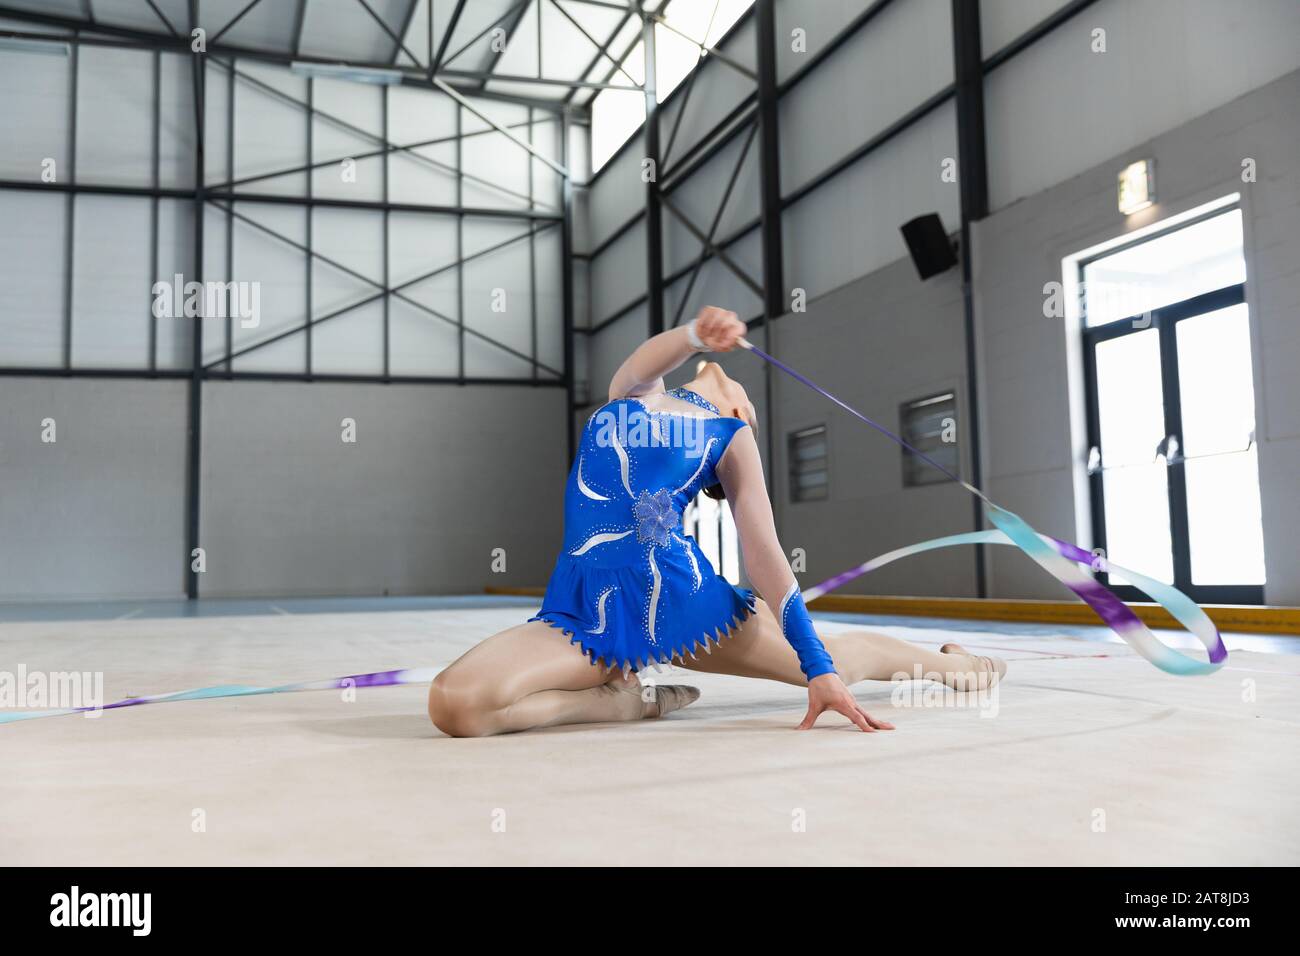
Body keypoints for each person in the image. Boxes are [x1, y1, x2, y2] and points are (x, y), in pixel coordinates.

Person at [427, 307, 1004, 737]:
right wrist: (694, 336)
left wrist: (818, 667)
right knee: (457, 705)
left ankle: (957, 669)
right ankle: (622, 703)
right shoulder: (633, 398)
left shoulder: (734, 438)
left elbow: (764, 554)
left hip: (687, 604)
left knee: (837, 660)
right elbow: (641, 363)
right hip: (587, 611)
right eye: (749, 410)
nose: (749, 411)